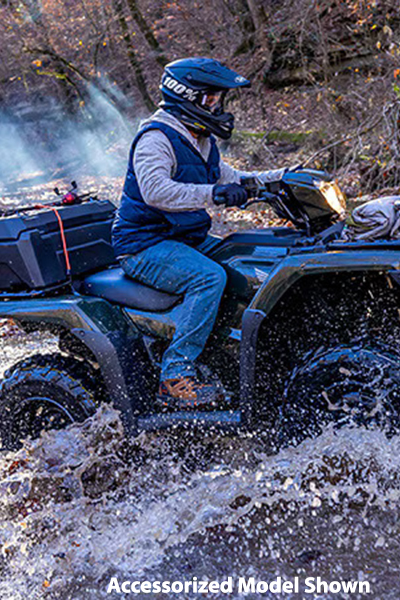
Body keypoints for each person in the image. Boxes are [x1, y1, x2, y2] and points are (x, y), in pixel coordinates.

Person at [110, 57, 288, 410]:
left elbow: (233, 178)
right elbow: (156, 191)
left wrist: (286, 177)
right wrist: (213, 195)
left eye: (218, 99)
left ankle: (227, 356)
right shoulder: (156, 138)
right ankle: (174, 376)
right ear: (185, 96)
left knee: (245, 264)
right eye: (209, 99)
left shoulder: (199, 138)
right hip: (145, 243)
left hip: (185, 238)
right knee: (208, 277)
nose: (216, 106)